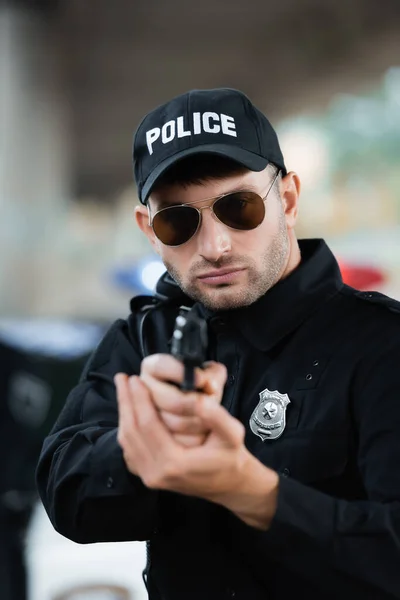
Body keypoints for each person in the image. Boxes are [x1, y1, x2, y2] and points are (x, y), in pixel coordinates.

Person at [36, 88, 400, 600]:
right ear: (149, 231)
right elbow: (65, 495)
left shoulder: (381, 343)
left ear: (288, 200)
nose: (215, 246)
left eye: (239, 207)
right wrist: (146, 444)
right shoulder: (145, 340)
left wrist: (252, 492)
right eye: (179, 221)